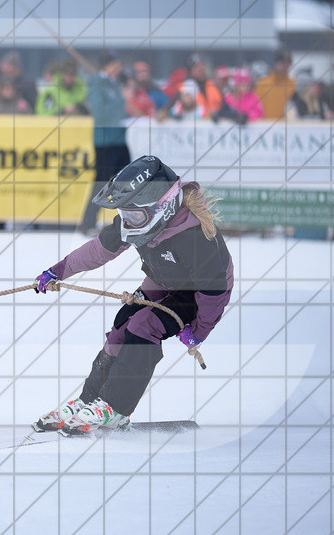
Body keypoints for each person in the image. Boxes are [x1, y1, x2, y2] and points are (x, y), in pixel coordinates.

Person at [33, 156, 233, 435]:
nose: (127, 222)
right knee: (122, 325)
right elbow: (96, 251)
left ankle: (115, 408)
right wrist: (57, 271)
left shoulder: (195, 238)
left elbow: (214, 291)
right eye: (124, 214)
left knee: (144, 326)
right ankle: (89, 402)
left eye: (134, 215)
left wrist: (199, 331)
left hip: (197, 292)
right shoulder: (136, 222)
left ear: (162, 207)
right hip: (163, 279)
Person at [81, 51, 130, 234]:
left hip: (119, 138)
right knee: (101, 182)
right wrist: (122, 100)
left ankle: (134, 219)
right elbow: (100, 112)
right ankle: (87, 223)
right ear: (107, 66)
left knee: (128, 180)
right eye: (116, 65)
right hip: (104, 141)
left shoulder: (114, 84)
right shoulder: (95, 83)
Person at [254, 49, 295, 120]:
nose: (285, 66)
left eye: (288, 62)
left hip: (284, 128)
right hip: (263, 127)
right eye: (282, 62)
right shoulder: (262, 84)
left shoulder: (293, 85)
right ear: (275, 62)